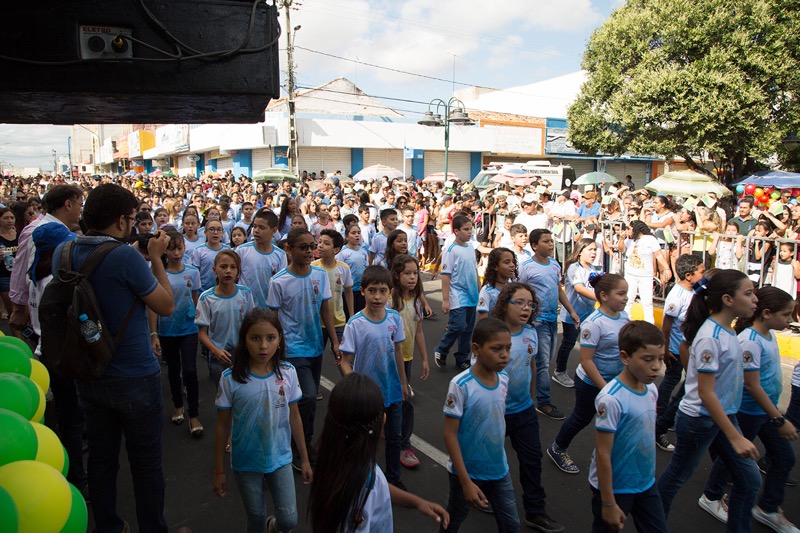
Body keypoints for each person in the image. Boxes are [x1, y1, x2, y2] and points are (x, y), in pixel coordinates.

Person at [53, 183, 174, 533]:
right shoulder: (125, 257)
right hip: (135, 375)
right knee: (146, 463)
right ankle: (153, 527)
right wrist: (154, 258)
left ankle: (109, 525)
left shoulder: (65, 249)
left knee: (103, 460)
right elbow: (165, 304)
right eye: (133, 219)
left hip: (88, 370)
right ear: (122, 220)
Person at [657, 269, 762, 532]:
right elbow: (705, 392)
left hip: (722, 416)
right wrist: (735, 436)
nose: (755, 300)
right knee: (678, 476)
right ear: (727, 299)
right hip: (700, 419)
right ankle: (652, 522)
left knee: (750, 481)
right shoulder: (711, 337)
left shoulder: (726, 330)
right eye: (748, 293)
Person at [702, 287, 798, 531]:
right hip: (748, 411)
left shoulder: (768, 336)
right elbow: (752, 386)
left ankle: (768, 507)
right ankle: (711, 495)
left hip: (764, 411)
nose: (790, 320)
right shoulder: (750, 342)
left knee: (784, 458)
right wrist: (779, 418)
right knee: (734, 457)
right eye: (786, 315)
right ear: (766, 313)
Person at [213, 309, 312, 533]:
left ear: (279, 339)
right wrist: (219, 471)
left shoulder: (288, 373)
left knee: (289, 520)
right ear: (244, 340)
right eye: (255, 338)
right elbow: (222, 426)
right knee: (255, 517)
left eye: (270, 338)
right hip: (246, 462)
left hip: (281, 457)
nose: (264, 346)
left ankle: (273, 526)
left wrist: (304, 458)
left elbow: (295, 416)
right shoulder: (230, 379)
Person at [309, 373, 449, 532]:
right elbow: (370, 486)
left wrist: (416, 502)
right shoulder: (361, 491)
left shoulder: (339, 460)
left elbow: (377, 484)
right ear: (378, 426)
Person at [491, 283, 565, 533]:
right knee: (488, 459)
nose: (526, 308)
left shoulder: (530, 333)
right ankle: (477, 492)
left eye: (530, 304)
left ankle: (535, 511)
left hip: (523, 411)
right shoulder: (492, 334)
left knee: (532, 460)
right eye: (519, 302)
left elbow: (531, 366)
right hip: (495, 413)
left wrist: (531, 401)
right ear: (505, 304)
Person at [266, 228, 338, 468]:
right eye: (303, 247)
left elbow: (325, 311)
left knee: (305, 399)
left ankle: (297, 439)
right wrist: (274, 348)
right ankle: (301, 447)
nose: (309, 251)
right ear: (289, 249)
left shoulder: (319, 276)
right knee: (306, 396)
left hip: (315, 346)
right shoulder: (278, 281)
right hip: (292, 350)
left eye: (312, 246)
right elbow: (273, 319)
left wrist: (335, 342)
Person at [441, 317, 520, 532]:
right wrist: (466, 482)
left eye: (508, 348)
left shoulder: (503, 378)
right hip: (466, 472)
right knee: (454, 518)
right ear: (476, 349)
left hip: (498, 469)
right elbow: (450, 434)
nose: (504, 354)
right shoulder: (460, 385)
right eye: (496, 349)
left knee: (511, 524)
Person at [589, 321, 668, 533]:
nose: (656, 366)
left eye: (660, 359)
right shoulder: (611, 398)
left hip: (645, 482)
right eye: (647, 359)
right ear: (625, 357)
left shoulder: (651, 389)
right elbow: (603, 452)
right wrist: (608, 502)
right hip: (615, 488)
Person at [547, 273, 630, 474]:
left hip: (616, 381)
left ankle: (611, 456)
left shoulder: (624, 316)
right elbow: (586, 360)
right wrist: (605, 388)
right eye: (621, 293)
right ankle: (557, 448)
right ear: (604, 295)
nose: (626, 298)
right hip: (591, 382)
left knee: (618, 419)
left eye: (626, 293)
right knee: (582, 417)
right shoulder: (594, 323)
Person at [340, 265, 408, 489]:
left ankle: (394, 479)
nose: (377, 296)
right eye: (372, 290)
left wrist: (404, 382)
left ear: (390, 292)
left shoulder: (394, 318)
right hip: (368, 394)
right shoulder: (355, 324)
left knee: (394, 437)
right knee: (366, 440)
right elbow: (345, 361)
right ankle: (364, 478)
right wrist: (356, 386)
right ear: (362, 291)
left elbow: (398, 351)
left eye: (382, 291)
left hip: (392, 389)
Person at [519, 229, 580, 420]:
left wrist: (570, 310)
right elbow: (519, 292)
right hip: (537, 321)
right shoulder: (527, 267)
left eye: (551, 240)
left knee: (543, 361)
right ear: (535, 246)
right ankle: (543, 401)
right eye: (546, 241)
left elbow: (558, 289)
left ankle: (526, 391)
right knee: (543, 363)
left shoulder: (554, 264)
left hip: (553, 320)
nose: (551, 244)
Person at [150, 230, 204, 437]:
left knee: (190, 370)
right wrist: (153, 333)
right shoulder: (158, 273)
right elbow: (153, 306)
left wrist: (201, 326)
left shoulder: (193, 272)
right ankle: (178, 405)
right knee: (173, 369)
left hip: (189, 328)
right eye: (171, 249)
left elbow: (196, 299)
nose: (176, 253)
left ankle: (194, 414)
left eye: (179, 248)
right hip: (167, 330)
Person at [656, 254, 705, 451]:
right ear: (688, 275)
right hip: (677, 349)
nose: (703, 274)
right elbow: (666, 326)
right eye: (701, 271)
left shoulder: (696, 291)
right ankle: (660, 416)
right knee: (673, 380)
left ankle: (670, 415)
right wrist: (665, 350)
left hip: (692, 348)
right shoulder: (676, 296)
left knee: (688, 382)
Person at [389, 254, 430, 469]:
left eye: (415, 273)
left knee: (404, 401)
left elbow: (419, 332)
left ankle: (403, 443)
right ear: (397, 275)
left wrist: (424, 358)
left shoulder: (415, 300)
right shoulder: (389, 299)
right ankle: (391, 436)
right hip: (387, 360)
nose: (412, 277)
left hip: (406, 358)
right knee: (394, 399)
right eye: (407, 273)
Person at [196, 250, 255, 388]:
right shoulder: (206, 298)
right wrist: (215, 351)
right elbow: (202, 333)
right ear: (214, 269)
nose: (228, 271)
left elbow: (251, 324)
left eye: (233, 267)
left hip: (243, 353)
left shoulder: (245, 293)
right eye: (223, 267)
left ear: (238, 271)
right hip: (219, 355)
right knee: (223, 394)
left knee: (244, 391)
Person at [434, 214, 479, 371]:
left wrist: (478, 289)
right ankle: (442, 349)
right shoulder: (450, 250)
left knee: (468, 329)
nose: (469, 232)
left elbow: (474, 269)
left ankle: (462, 358)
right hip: (457, 294)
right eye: (466, 229)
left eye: (470, 229)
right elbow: (446, 276)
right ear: (456, 231)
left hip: (471, 294)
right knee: (458, 326)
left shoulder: (471, 247)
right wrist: (445, 299)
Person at [552, 238, 599, 389]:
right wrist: (601, 298)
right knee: (568, 343)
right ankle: (559, 371)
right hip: (572, 314)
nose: (593, 253)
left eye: (594, 250)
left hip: (589, 314)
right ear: (580, 251)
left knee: (591, 343)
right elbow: (579, 288)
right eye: (590, 249)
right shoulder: (574, 268)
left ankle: (589, 370)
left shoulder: (593, 269)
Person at [618, 220, 671, 324]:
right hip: (630, 274)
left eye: (629, 229)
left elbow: (659, 254)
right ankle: (624, 322)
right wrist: (621, 239)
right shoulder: (630, 241)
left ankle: (649, 324)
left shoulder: (650, 239)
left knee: (647, 301)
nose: (627, 231)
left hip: (645, 275)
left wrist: (667, 268)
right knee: (628, 299)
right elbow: (621, 249)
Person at [312, 229, 354, 357]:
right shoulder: (312, 267)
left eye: (326, 243)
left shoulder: (344, 268)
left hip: (338, 320)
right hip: (317, 322)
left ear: (336, 250)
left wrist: (351, 315)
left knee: (343, 356)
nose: (320, 245)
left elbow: (348, 291)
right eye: (319, 242)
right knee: (316, 356)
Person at [235, 209, 287, 309]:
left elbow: (281, 285)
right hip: (244, 308)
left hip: (269, 309)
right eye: (255, 226)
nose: (256, 231)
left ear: (274, 230)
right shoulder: (242, 250)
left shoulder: (280, 255)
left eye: (262, 227)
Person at [337, 223, 369, 314]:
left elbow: (366, 268)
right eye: (353, 233)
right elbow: (339, 271)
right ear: (347, 236)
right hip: (347, 290)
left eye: (359, 233)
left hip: (361, 289)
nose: (357, 235)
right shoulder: (342, 252)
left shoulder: (363, 250)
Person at [191, 219, 231, 292]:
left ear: (222, 232)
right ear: (205, 232)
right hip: (203, 291)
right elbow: (195, 274)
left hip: (223, 291)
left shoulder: (227, 250)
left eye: (219, 230)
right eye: (211, 229)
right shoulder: (199, 250)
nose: (215, 232)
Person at [477, 247, 517, 320]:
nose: (512, 265)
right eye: (507, 262)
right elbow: (483, 320)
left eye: (513, 261)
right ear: (495, 266)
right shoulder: (487, 291)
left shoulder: (515, 288)